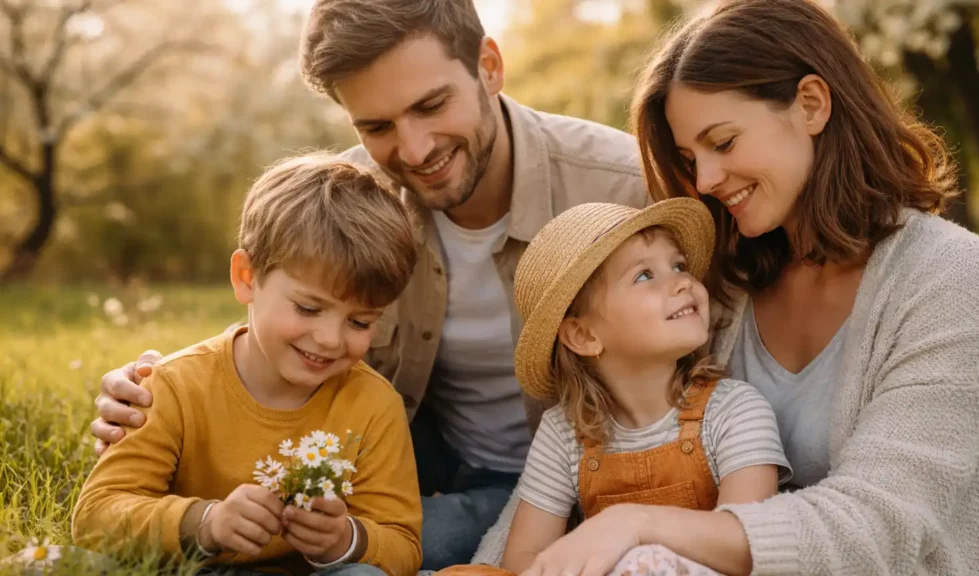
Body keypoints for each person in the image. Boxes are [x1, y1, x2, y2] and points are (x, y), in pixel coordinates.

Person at [88, 0, 647, 570]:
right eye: (377, 127)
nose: (415, 150)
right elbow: (282, 309)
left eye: (432, 105)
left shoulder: (624, 189)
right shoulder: (355, 198)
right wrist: (157, 388)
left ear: (489, 66)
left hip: (577, 473)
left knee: (388, 548)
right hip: (408, 452)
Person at [473, 0, 979, 575]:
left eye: (724, 142)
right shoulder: (720, 284)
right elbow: (574, 462)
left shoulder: (950, 274)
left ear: (811, 105)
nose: (706, 180)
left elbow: (877, 525)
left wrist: (638, 523)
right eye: (690, 158)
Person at [72, 155, 423, 576]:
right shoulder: (175, 386)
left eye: (360, 322)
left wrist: (344, 540)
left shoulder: (374, 406)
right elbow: (96, 514)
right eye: (308, 308)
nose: (331, 339)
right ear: (246, 277)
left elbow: (403, 544)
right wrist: (206, 523)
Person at [502, 199, 792, 573]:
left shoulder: (735, 410)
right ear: (584, 335)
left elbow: (749, 546)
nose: (684, 281)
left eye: (679, 266)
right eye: (644, 275)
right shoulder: (564, 434)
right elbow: (522, 559)